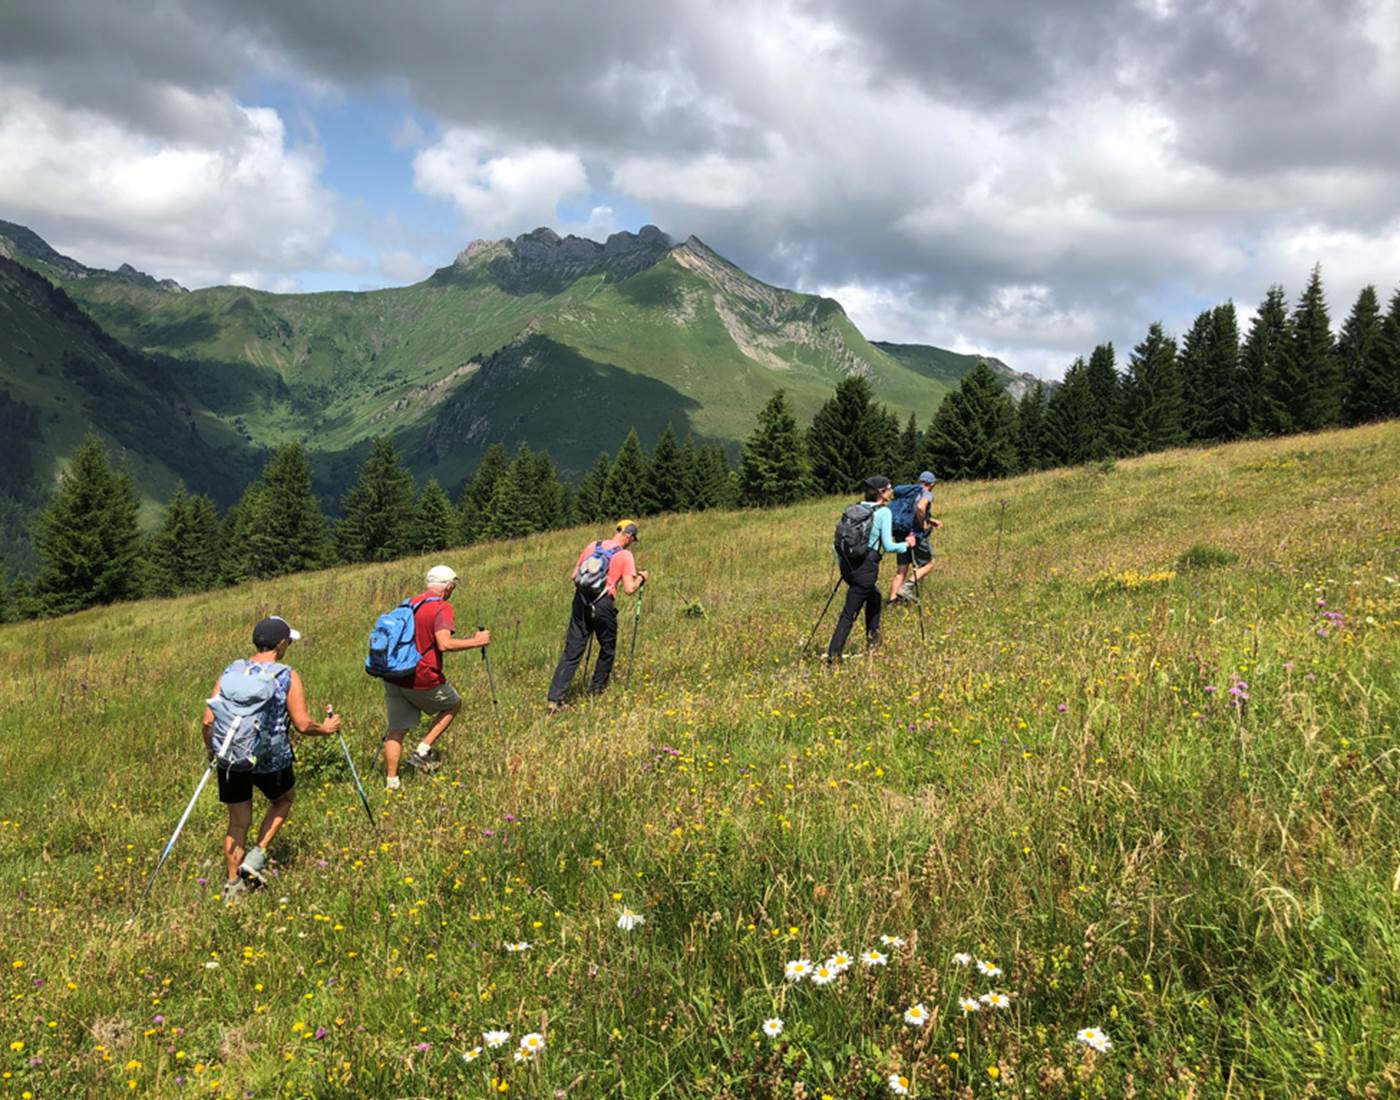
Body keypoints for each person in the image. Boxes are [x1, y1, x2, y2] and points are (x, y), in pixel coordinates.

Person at [202, 615, 341, 903]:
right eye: (288, 641)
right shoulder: (286, 675)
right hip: (270, 759)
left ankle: (232, 887)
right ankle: (256, 856)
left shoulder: (231, 670)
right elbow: (302, 724)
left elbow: (207, 720)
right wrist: (326, 729)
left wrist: (213, 752)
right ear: (280, 644)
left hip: (231, 757)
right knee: (284, 799)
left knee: (237, 822)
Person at [382, 565, 490, 789]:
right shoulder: (441, 608)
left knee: (397, 728)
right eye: (453, 586)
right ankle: (422, 750)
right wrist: (478, 641)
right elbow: (445, 644)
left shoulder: (409, 603)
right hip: (421, 676)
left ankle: (392, 782)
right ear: (448, 586)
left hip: (394, 673)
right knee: (453, 704)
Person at [546, 519, 648, 712]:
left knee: (572, 650)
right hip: (603, 604)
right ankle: (595, 691)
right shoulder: (625, 555)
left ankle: (554, 699)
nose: (631, 543)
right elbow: (629, 589)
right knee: (608, 648)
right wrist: (642, 577)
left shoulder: (593, 545)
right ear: (628, 535)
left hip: (581, 601)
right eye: (632, 539)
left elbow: (574, 575)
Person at [825, 476, 913, 662]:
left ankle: (874, 643)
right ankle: (833, 657)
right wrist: (906, 544)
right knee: (849, 614)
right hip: (866, 570)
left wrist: (846, 563)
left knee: (874, 598)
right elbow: (888, 546)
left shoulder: (855, 509)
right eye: (889, 488)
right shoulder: (883, 512)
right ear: (881, 492)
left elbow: (837, 545)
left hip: (848, 568)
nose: (892, 491)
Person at [887, 470, 942, 605]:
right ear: (932, 484)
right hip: (914, 535)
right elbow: (920, 507)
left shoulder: (908, 493)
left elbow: (911, 512)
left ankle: (892, 602)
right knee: (928, 564)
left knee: (901, 570)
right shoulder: (926, 493)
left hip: (900, 533)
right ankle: (907, 588)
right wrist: (923, 524)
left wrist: (929, 520)